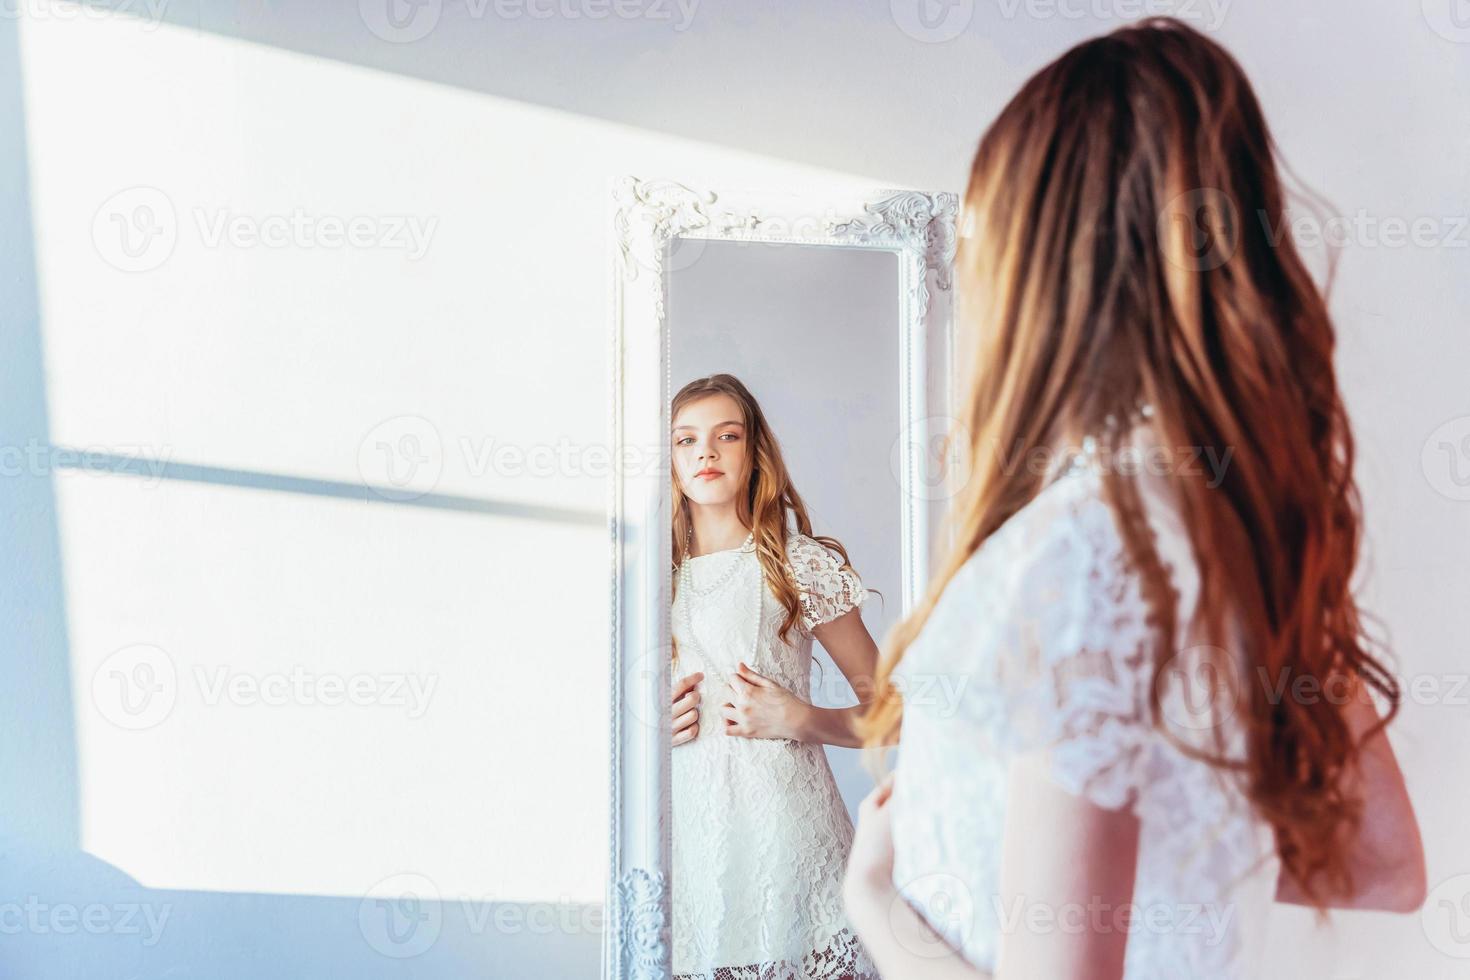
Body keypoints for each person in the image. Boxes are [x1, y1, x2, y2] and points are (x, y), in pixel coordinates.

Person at [839, 17, 1426, 980]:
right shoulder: (1223, 534)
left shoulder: (1085, 556)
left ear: (1041, 261)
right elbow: (1383, 867)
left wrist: (876, 908)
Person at [669, 372, 885, 980]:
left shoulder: (797, 565)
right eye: (685, 440)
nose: (705, 452)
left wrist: (802, 718)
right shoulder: (651, 582)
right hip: (693, 853)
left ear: (754, 451)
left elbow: (893, 714)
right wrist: (648, 723)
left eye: (725, 436)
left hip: (790, 840)